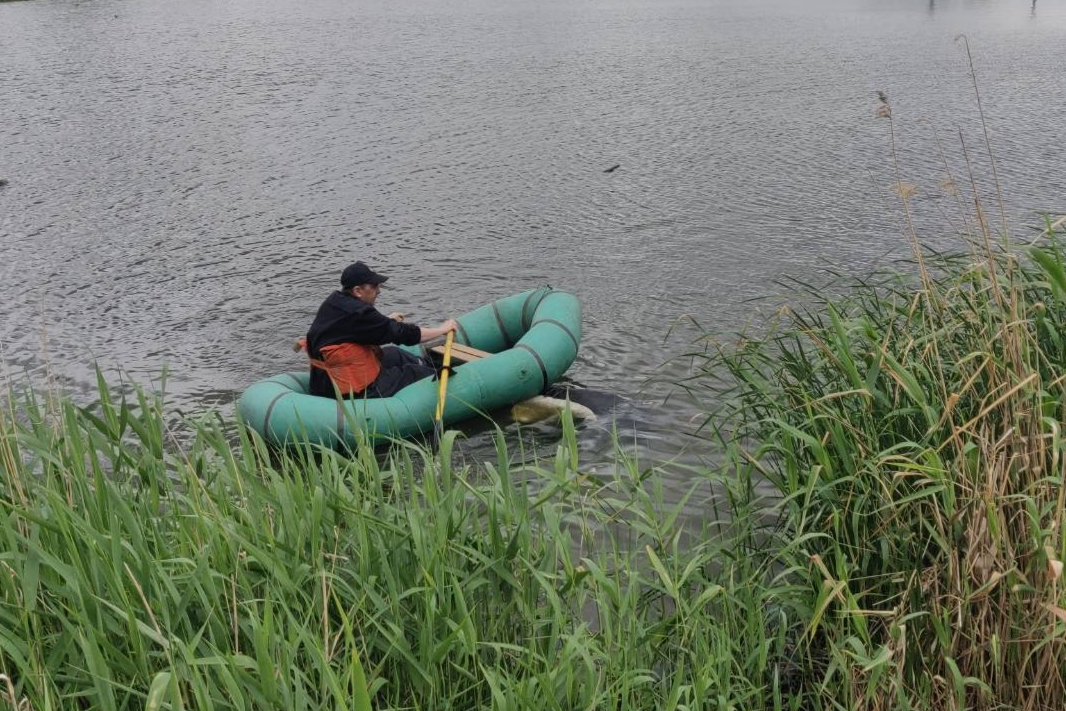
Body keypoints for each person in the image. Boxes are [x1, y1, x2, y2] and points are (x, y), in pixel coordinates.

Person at [303, 261, 458, 399]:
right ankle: (446, 380)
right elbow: (405, 334)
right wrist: (442, 329)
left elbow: (358, 329)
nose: (379, 291)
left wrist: (387, 321)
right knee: (414, 373)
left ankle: (432, 365)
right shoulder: (361, 313)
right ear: (358, 291)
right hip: (348, 388)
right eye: (374, 286)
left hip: (322, 381)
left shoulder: (335, 302)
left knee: (394, 353)